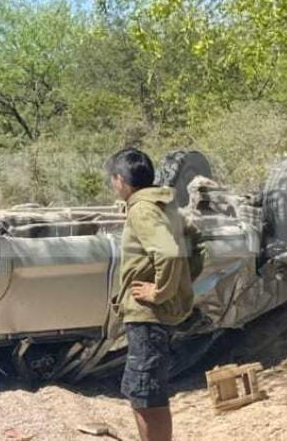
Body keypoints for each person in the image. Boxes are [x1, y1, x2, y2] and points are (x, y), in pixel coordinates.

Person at [106, 147, 194, 441]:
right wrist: (182, 282)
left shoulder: (142, 209)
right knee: (144, 390)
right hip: (153, 314)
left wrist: (161, 291)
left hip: (148, 314)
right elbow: (196, 241)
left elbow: (168, 252)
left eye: (113, 180)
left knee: (146, 393)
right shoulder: (163, 204)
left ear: (120, 180)